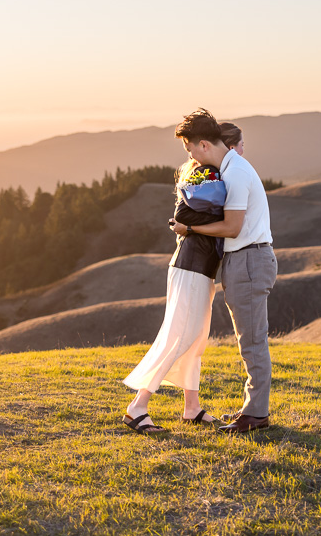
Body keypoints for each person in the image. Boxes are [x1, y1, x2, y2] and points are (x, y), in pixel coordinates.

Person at [120, 122, 242, 433]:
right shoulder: (206, 175)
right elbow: (183, 216)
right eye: (239, 145)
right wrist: (208, 223)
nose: (242, 151)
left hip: (201, 268)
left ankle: (192, 408)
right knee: (180, 336)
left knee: (196, 340)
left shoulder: (218, 175)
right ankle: (138, 407)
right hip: (190, 266)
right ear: (223, 146)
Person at [170, 109, 276, 434]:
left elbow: (232, 227)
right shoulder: (230, 168)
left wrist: (190, 229)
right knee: (250, 339)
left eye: (190, 151)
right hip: (242, 261)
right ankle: (254, 410)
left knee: (252, 341)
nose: (191, 157)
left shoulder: (236, 173)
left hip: (249, 260)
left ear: (203, 145)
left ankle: (255, 414)